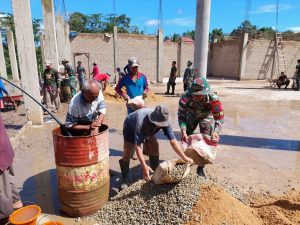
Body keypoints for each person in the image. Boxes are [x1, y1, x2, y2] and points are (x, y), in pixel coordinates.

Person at [119, 105, 193, 188]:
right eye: (158, 124)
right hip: (131, 127)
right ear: (153, 119)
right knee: (127, 152)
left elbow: (173, 141)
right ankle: (125, 179)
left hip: (149, 130)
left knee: (154, 147)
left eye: (162, 124)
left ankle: (154, 172)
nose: (160, 126)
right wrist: (143, 166)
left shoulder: (165, 121)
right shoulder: (141, 121)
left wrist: (185, 157)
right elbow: (138, 146)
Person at [178, 78, 224, 175]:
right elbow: (181, 115)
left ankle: (201, 166)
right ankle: (188, 160)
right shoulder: (185, 96)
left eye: (199, 95)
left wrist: (216, 131)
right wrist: (183, 130)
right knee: (186, 138)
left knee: (206, 138)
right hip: (191, 116)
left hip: (206, 115)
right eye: (194, 95)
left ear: (206, 92)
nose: (196, 97)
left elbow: (219, 117)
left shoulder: (213, 98)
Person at [0, 114, 23, 224]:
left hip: (1, 153)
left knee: (2, 189)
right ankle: (17, 204)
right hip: (4, 148)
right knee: (7, 180)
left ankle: (5, 218)